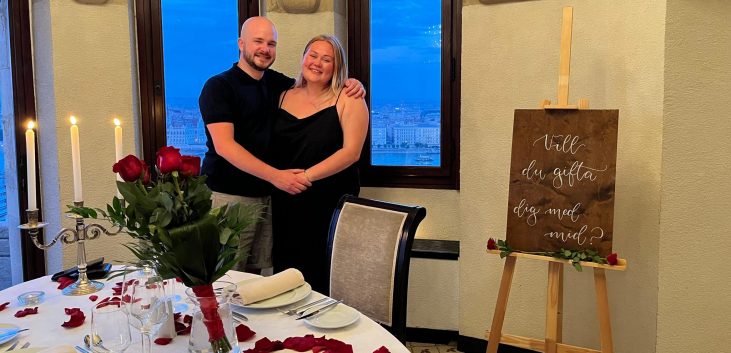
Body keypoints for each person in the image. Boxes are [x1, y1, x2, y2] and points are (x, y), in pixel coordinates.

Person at [198, 17, 364, 273]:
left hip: (270, 199)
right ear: (241, 44)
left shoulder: (279, 85)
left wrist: (353, 83)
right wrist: (277, 177)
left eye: (271, 43)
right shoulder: (219, 86)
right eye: (258, 41)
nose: (265, 48)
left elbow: (316, 87)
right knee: (225, 276)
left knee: (258, 278)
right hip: (230, 196)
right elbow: (225, 146)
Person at [271, 34, 369, 293]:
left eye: (327, 59)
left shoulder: (350, 98)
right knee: (287, 276)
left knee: (324, 275)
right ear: (303, 58)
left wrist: (306, 177)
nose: (317, 63)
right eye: (312, 55)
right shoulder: (282, 96)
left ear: (337, 67)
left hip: (328, 201)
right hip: (286, 200)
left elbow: (351, 153)